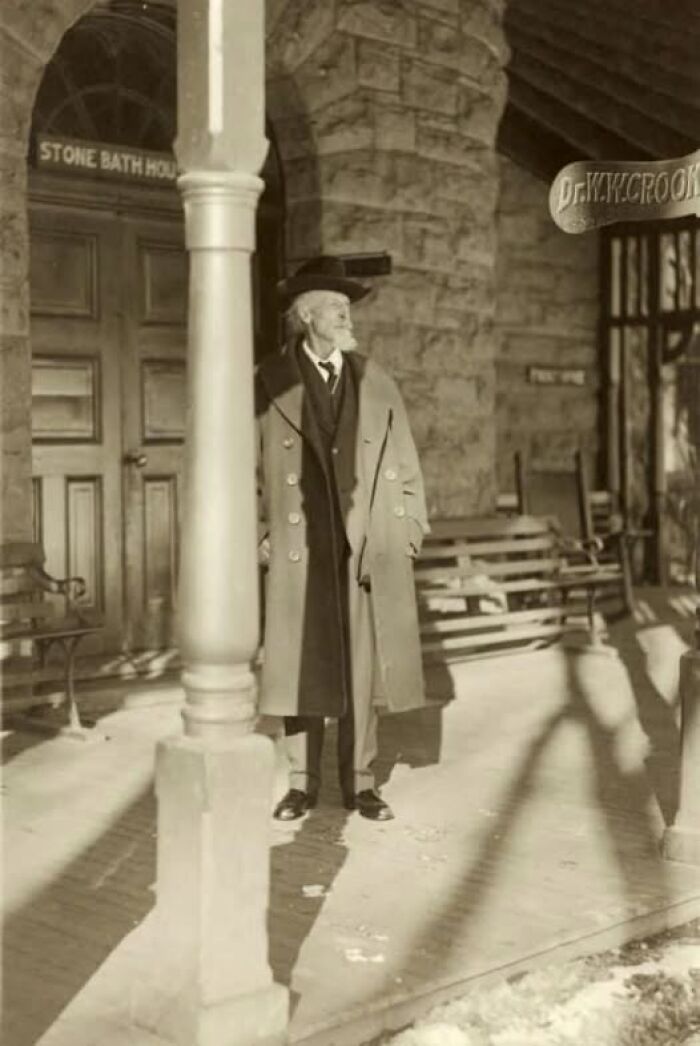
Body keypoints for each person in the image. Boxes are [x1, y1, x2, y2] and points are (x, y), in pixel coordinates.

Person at [255, 256, 428, 821]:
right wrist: (258, 533)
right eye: (334, 306)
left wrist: (407, 531)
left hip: (363, 542)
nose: (345, 315)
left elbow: (406, 463)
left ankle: (360, 783)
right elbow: (241, 467)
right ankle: (300, 783)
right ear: (306, 315)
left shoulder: (374, 380)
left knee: (361, 666)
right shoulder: (267, 381)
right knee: (299, 662)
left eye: (347, 307)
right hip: (299, 543)